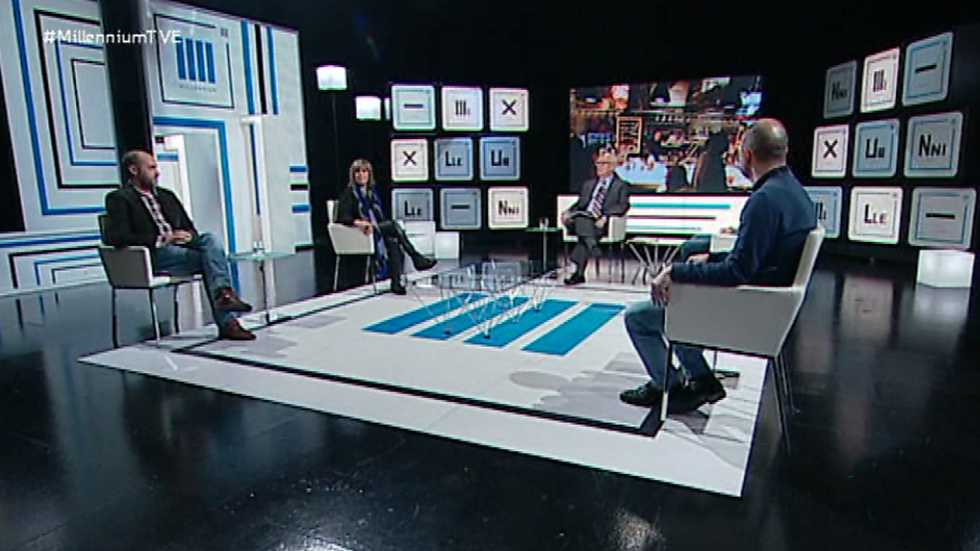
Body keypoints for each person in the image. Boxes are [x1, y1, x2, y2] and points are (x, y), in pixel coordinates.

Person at [619, 119, 817, 413]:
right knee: (686, 289)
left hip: (746, 309)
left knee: (638, 317)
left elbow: (736, 272)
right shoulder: (795, 193)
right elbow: (754, 261)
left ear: (747, 155)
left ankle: (670, 386)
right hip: (768, 304)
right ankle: (701, 380)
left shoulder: (764, 200)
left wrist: (675, 271)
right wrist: (711, 259)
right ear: (784, 151)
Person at [104, 150, 255, 340]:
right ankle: (227, 316)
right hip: (153, 254)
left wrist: (188, 236)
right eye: (151, 168)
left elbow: (189, 227)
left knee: (210, 239)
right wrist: (163, 238)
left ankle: (224, 297)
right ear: (134, 170)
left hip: (181, 248)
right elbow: (116, 237)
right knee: (211, 261)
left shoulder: (167, 195)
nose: (157, 172)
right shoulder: (119, 198)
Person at [335, 159, 437, 295]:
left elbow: (380, 217)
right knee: (393, 226)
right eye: (357, 172)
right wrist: (360, 223)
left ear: (369, 174)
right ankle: (416, 258)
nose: (361, 175)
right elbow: (342, 217)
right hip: (361, 233)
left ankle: (396, 283)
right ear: (353, 175)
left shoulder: (372, 193)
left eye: (364, 171)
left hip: (374, 229)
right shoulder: (348, 194)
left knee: (393, 240)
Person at [561, 150, 630, 285]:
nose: (599, 166)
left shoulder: (620, 185)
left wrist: (606, 216)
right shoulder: (588, 184)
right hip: (581, 219)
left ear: (612, 166)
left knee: (583, 233)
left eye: (603, 163)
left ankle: (579, 273)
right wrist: (568, 212)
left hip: (599, 224)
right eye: (597, 163)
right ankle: (593, 245)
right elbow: (580, 204)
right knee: (581, 218)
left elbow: (623, 206)